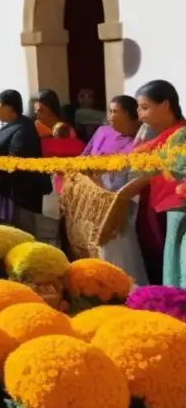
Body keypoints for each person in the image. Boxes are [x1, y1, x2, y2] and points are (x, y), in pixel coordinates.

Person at [100, 81, 186, 286]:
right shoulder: (154, 133)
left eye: (145, 108)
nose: (139, 114)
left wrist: (127, 191)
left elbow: (166, 168)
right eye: (139, 108)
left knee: (176, 266)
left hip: (178, 212)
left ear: (165, 105)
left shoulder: (181, 135)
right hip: (156, 209)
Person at [60, 95, 149, 284]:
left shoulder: (137, 145)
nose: (110, 115)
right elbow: (83, 157)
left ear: (130, 117)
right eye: (109, 110)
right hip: (91, 204)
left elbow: (122, 184)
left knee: (116, 252)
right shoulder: (103, 132)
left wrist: (96, 177)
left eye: (115, 111)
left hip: (117, 206)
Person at [0, 89, 54, 242]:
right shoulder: (10, 125)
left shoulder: (23, 128)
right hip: (6, 190)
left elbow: (15, 159)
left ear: (8, 107)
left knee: (22, 236)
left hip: (20, 194)